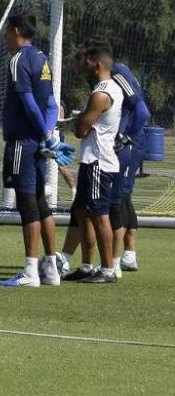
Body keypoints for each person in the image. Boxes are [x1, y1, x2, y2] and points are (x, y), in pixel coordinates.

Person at [0, 13, 70, 288]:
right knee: (40, 201)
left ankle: (30, 270)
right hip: (39, 142)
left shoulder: (18, 59)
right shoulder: (42, 58)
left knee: (27, 203)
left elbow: (29, 102)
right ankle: (51, 268)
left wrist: (43, 134)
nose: (6, 36)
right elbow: (51, 103)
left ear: (15, 31)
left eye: (7, 31)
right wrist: (50, 134)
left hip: (23, 141)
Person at [66, 45, 123, 284]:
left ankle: (108, 269)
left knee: (100, 215)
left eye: (87, 62)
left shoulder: (102, 93)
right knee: (82, 213)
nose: (84, 67)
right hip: (92, 160)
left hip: (99, 161)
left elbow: (81, 130)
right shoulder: (107, 89)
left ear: (97, 64)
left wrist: (74, 121)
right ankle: (87, 266)